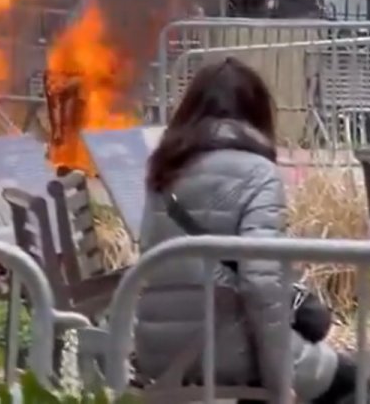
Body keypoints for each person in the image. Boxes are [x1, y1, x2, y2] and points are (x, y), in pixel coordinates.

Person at [134, 59, 356, 404]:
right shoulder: (258, 173)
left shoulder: (163, 170)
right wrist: (280, 381)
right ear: (256, 112)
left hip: (157, 347)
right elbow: (262, 282)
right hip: (224, 340)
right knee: (347, 381)